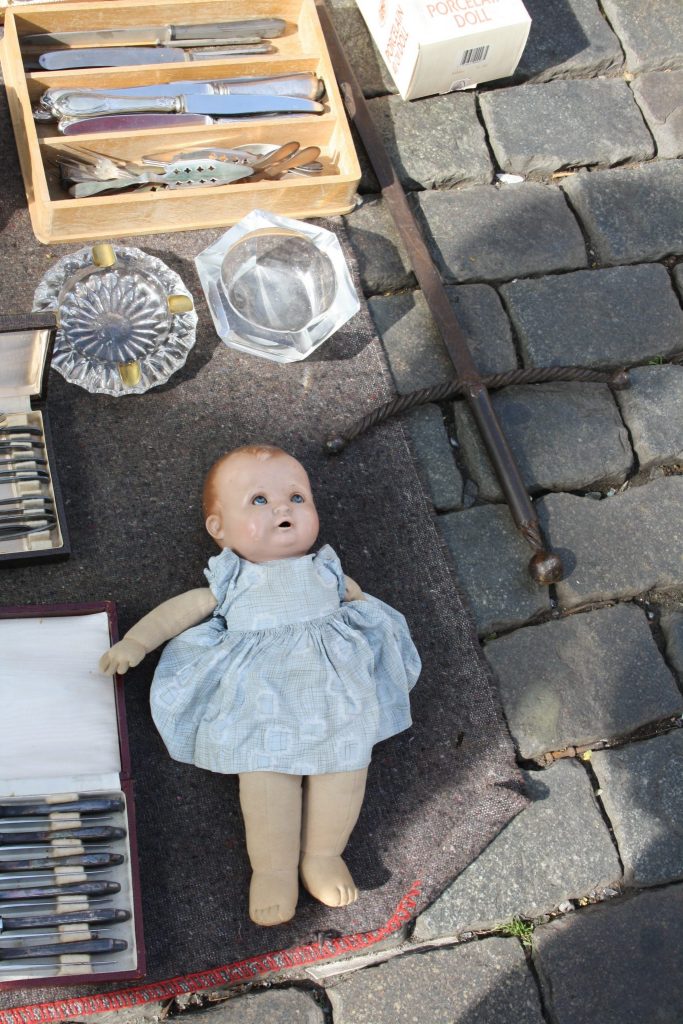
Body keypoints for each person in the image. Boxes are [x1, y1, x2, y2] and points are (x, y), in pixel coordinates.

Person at [100, 444, 420, 926]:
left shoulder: (326, 570)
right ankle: (272, 870)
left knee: (346, 769)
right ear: (219, 529)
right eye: (259, 500)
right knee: (266, 780)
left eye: (297, 497)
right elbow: (180, 611)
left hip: (336, 698)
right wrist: (137, 641)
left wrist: (379, 630)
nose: (282, 508)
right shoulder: (231, 580)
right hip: (261, 702)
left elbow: (361, 603)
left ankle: (324, 855)